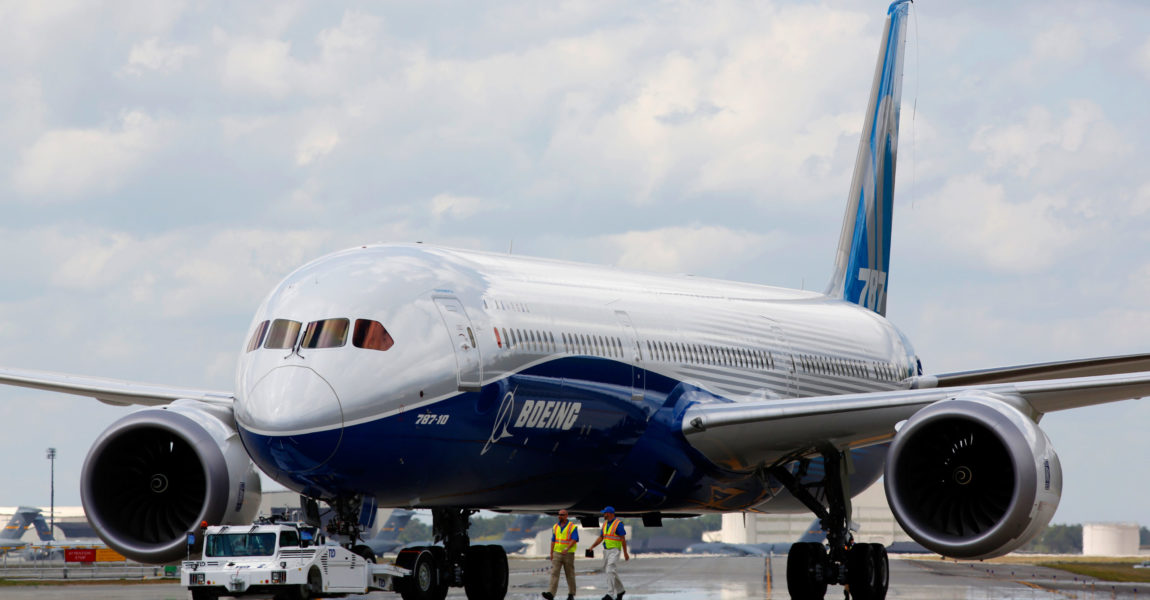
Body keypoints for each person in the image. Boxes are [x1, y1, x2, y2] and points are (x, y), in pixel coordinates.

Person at [587, 506, 628, 600]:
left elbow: (623, 539)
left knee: (610, 570)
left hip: (615, 550)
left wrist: (625, 553)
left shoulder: (618, 524)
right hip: (606, 551)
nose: (604, 514)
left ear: (610, 514)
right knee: (611, 571)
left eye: (605, 513)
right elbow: (601, 537)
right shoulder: (605, 524)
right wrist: (592, 546)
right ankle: (621, 590)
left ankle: (610, 594)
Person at [542, 510, 579, 600]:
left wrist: (567, 548)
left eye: (562, 515)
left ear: (566, 516)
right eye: (559, 515)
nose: (560, 516)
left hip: (568, 554)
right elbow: (553, 540)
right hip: (557, 553)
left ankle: (571, 594)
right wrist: (551, 553)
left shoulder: (572, 527)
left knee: (569, 574)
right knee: (554, 573)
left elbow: (575, 539)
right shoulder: (555, 527)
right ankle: (551, 593)